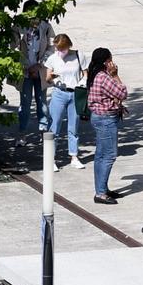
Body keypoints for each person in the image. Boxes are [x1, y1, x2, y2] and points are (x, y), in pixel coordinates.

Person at [85, 46, 128, 204]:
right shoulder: (104, 77)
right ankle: (101, 193)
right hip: (106, 119)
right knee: (109, 155)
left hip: (98, 117)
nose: (113, 62)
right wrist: (116, 76)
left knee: (100, 155)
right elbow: (122, 93)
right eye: (110, 59)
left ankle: (102, 188)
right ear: (106, 62)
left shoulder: (94, 74)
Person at [43, 32, 85, 168]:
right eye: (57, 48)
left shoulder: (78, 55)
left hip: (74, 94)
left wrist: (82, 83)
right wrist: (52, 77)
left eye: (62, 48)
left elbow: (85, 74)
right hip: (59, 93)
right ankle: (51, 159)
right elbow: (47, 79)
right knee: (54, 126)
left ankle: (74, 156)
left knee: (74, 127)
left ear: (68, 46)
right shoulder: (52, 58)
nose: (59, 51)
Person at [16, 15, 53, 137]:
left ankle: (43, 132)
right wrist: (28, 67)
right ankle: (22, 133)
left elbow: (51, 48)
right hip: (25, 71)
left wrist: (39, 65)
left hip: (40, 71)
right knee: (25, 103)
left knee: (42, 102)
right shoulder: (18, 27)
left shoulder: (46, 27)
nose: (34, 20)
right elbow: (14, 49)